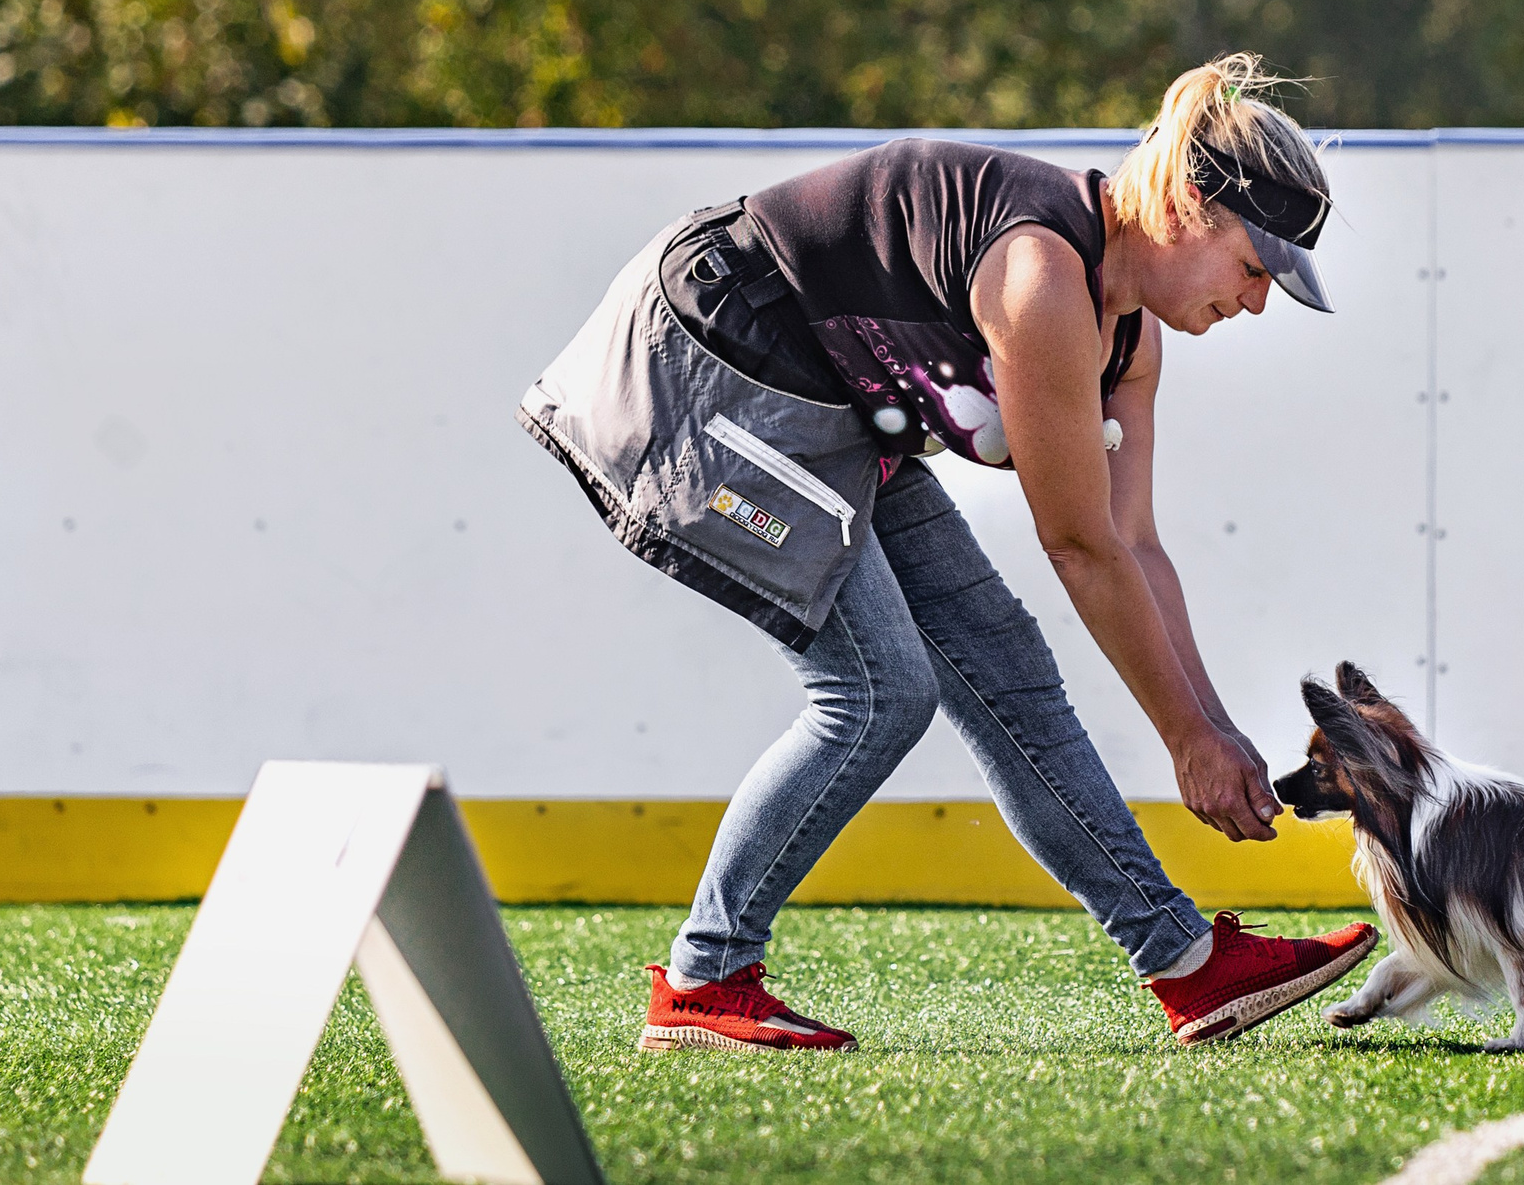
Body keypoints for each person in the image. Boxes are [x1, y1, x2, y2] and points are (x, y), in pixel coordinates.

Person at [519, 55, 1373, 1051]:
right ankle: (704, 978)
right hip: (701, 368)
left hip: (823, 403)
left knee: (1004, 667)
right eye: (1254, 266)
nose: (1259, 301)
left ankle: (1185, 966)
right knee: (878, 687)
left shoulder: (1131, 338)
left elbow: (1133, 542)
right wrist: (1185, 737)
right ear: (1188, 206)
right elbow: (1079, 546)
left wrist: (1214, 726)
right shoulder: (1041, 276)